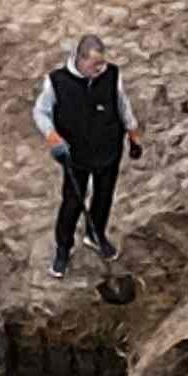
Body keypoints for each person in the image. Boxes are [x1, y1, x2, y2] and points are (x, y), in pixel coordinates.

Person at [33, 32, 128, 276]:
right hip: (75, 153)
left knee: (104, 195)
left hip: (108, 147)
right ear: (81, 60)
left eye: (102, 63)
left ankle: (96, 235)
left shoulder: (112, 75)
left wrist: (133, 131)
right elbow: (40, 112)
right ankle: (63, 249)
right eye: (95, 64)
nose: (100, 68)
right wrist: (53, 137)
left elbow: (122, 104)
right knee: (73, 201)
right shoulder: (56, 82)